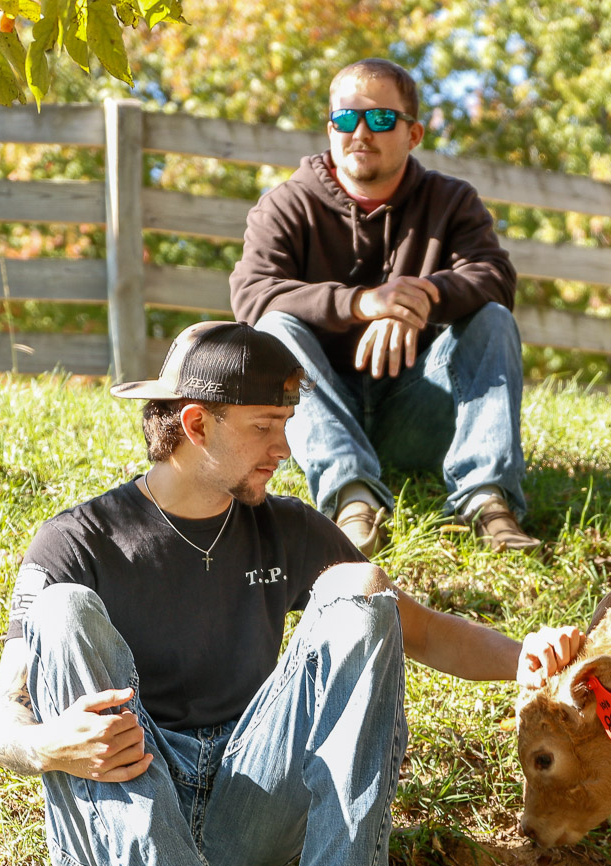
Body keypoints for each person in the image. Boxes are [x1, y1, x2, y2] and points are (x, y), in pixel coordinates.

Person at [0, 321, 582, 866]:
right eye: (267, 425)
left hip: (246, 806)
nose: (285, 448)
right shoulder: (76, 540)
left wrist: (530, 658)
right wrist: (52, 745)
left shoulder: (284, 529)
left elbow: (418, 629)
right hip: (111, 818)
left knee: (362, 589)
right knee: (65, 609)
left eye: (288, 424)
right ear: (197, 425)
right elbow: (2, 723)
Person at [229, 57, 537, 555]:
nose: (360, 133)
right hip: (317, 409)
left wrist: (420, 296)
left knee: (493, 320)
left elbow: (495, 277)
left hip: (418, 407)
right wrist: (363, 303)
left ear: (414, 134)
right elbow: (253, 294)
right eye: (346, 118)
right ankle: (352, 499)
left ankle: (486, 499)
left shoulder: (452, 201)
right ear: (330, 128)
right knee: (274, 327)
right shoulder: (286, 203)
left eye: (379, 119)